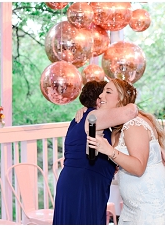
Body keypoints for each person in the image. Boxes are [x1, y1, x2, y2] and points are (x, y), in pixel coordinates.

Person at [88, 79, 165, 225]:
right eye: (102, 91)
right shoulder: (115, 130)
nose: (101, 96)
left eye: (108, 92)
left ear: (122, 99)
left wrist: (110, 151)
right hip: (132, 207)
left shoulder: (133, 124)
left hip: (152, 203)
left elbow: (138, 167)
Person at [53, 80, 138, 225]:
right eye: (103, 94)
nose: (104, 96)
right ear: (98, 100)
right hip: (84, 187)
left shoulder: (85, 117)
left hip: (78, 184)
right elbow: (130, 111)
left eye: (108, 93)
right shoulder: (93, 117)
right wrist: (128, 101)